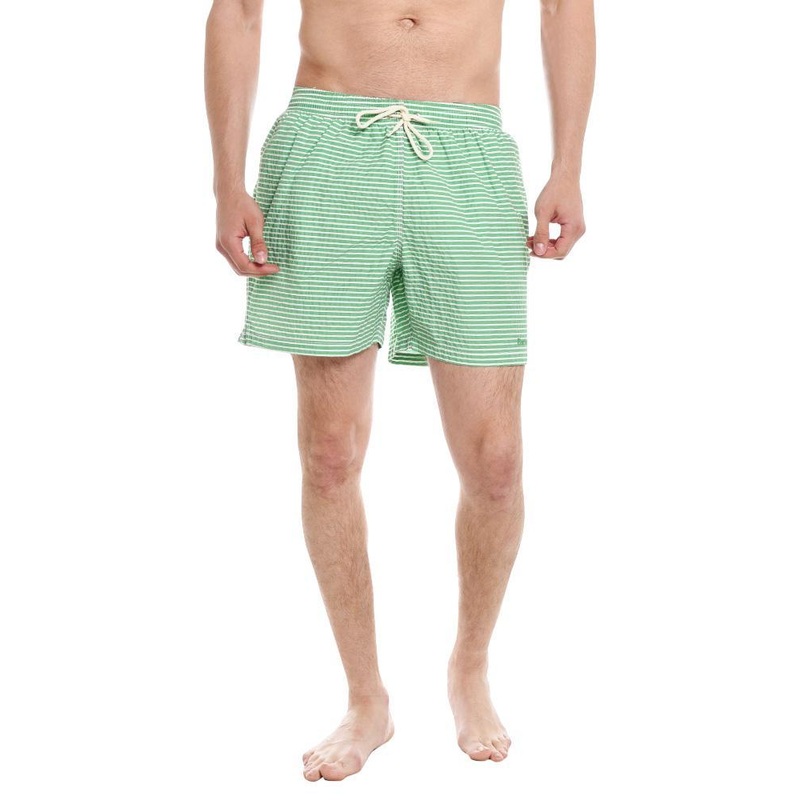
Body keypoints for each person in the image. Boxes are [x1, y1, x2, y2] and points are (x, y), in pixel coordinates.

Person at [204, 0, 594, 782]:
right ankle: (365, 699)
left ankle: (469, 668)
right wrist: (226, 181)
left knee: (495, 461)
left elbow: (564, 7)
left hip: (466, 148)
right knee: (330, 452)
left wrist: (568, 166)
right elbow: (239, 11)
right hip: (326, 142)